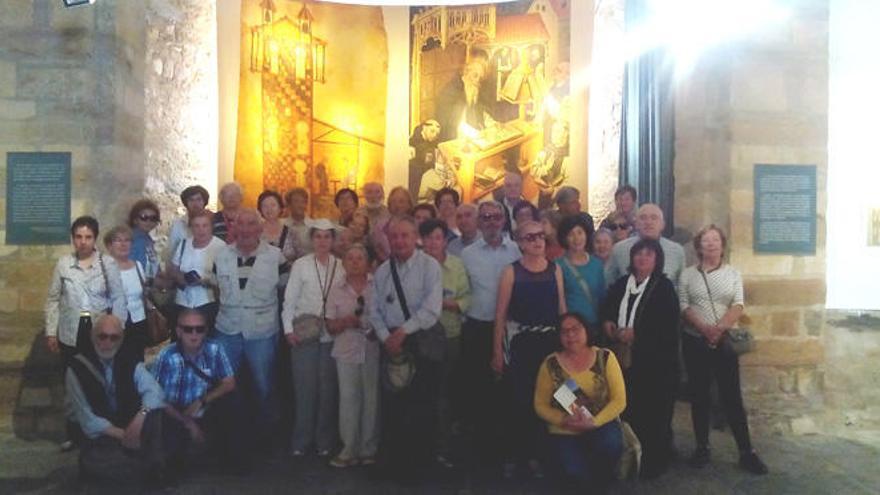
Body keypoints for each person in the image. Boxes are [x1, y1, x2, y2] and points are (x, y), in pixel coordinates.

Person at [678, 225, 768, 474]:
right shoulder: (687, 274)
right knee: (700, 395)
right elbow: (684, 305)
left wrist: (719, 329)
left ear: (722, 244)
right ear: (698, 246)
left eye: (715, 240)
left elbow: (738, 304)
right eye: (705, 240)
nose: (711, 244)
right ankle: (702, 447)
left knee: (731, 397)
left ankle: (746, 452)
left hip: (724, 341)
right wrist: (705, 329)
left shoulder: (732, 273)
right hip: (695, 340)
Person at [368, 217, 443, 478]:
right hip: (389, 342)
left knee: (421, 405)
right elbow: (374, 309)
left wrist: (403, 332)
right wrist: (384, 336)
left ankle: (419, 465)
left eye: (405, 236)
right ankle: (393, 464)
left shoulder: (429, 266)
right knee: (393, 405)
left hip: (419, 340)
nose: (399, 241)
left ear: (415, 238)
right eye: (394, 236)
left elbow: (432, 308)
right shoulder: (382, 271)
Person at [66, 314, 180, 484]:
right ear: (92, 336)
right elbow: (87, 419)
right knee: (104, 461)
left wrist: (140, 417)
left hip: (128, 424)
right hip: (102, 435)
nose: (107, 343)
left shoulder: (129, 360)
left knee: (156, 413)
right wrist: (124, 435)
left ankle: (141, 467)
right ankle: (146, 468)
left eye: (114, 338)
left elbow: (155, 392)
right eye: (102, 336)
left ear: (121, 339)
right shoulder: (76, 368)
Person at [492, 219, 566, 479]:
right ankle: (520, 456)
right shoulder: (511, 272)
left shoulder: (555, 270)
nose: (537, 241)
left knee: (554, 399)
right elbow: (500, 316)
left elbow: (562, 311)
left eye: (541, 237)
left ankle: (544, 456)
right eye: (531, 237)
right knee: (521, 400)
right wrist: (497, 353)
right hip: (522, 345)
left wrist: (567, 347)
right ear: (521, 243)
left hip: (549, 343)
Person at [46, 216, 127, 451]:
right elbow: (53, 299)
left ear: (95, 239)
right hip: (71, 331)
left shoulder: (107, 263)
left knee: (99, 379)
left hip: (98, 330)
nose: (83, 242)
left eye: (88, 237)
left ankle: (101, 430)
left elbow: (118, 296)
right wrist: (52, 331)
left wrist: (116, 326)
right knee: (72, 382)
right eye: (78, 237)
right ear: (73, 238)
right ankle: (74, 433)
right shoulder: (63, 264)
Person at [601, 239, 679, 479]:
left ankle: (654, 461)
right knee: (629, 409)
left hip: (654, 364)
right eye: (639, 254)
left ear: (657, 260)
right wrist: (608, 323)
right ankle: (629, 456)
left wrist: (638, 333)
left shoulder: (663, 288)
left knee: (653, 412)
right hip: (624, 361)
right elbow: (607, 309)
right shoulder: (622, 284)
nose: (643, 258)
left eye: (649, 254)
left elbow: (668, 325)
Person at [210, 209, 285, 447]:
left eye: (250, 225)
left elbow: (283, 290)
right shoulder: (221, 255)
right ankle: (229, 437)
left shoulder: (276, 257)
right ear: (233, 229)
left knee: (264, 384)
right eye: (240, 225)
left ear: (260, 229)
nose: (244, 230)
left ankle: (266, 436)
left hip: (261, 330)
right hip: (227, 328)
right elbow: (215, 288)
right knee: (225, 384)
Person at [534, 312, 625, 490]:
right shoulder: (550, 364)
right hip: (565, 427)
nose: (570, 335)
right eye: (564, 331)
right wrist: (563, 420)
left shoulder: (605, 357)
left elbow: (619, 400)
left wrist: (594, 422)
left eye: (576, 329)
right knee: (574, 472)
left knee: (610, 446)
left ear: (587, 331)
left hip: (600, 422)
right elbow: (540, 405)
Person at [459, 201, 520, 465]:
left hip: (510, 329)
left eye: (496, 217)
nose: (492, 222)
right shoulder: (467, 254)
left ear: (504, 221)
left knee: (508, 392)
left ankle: (506, 450)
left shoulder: (517, 251)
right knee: (477, 391)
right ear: (479, 222)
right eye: (486, 218)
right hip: (478, 328)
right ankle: (482, 454)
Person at [151, 308, 245, 471]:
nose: (194, 334)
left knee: (234, 403)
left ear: (206, 331)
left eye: (199, 329)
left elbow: (229, 382)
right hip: (175, 410)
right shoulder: (166, 356)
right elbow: (154, 397)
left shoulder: (214, 348)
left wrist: (202, 401)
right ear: (179, 331)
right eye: (188, 329)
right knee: (173, 461)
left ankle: (230, 458)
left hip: (203, 404)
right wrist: (187, 422)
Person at [282, 219, 344, 457]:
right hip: (304, 333)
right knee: (304, 390)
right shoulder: (301, 265)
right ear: (311, 239)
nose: (322, 241)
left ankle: (324, 441)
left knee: (328, 391)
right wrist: (288, 329)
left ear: (333, 240)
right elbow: (290, 300)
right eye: (318, 236)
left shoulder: (341, 265)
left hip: (331, 335)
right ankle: (301, 440)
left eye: (327, 237)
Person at [420, 218, 471, 467]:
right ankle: (421, 446)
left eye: (437, 237)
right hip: (420, 336)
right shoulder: (414, 266)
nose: (432, 243)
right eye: (428, 238)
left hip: (450, 335)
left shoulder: (457, 265)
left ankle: (442, 448)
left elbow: (466, 299)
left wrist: (440, 303)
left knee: (444, 394)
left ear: (444, 241)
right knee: (421, 392)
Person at [324, 244, 379, 468]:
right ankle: (348, 449)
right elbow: (329, 325)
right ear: (344, 263)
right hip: (345, 350)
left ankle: (369, 449)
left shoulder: (377, 286)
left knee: (372, 401)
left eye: (360, 258)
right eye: (351, 258)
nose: (355, 262)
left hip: (372, 349)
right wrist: (345, 322)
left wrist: (369, 326)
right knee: (348, 400)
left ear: (367, 263)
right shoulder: (336, 289)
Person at [168, 210, 225, 332]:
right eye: (196, 226)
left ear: (211, 227)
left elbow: (226, 278)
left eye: (205, 225)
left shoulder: (221, 247)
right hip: (183, 301)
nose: (201, 230)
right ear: (191, 228)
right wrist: (181, 277)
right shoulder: (184, 244)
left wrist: (207, 281)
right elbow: (173, 269)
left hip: (207, 301)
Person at [606, 204, 685, 289]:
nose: (648, 222)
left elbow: (682, 288)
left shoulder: (677, 251)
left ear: (662, 224)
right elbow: (608, 283)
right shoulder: (619, 249)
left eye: (654, 218)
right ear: (636, 224)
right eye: (643, 218)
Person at [556, 215, 606, 344]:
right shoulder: (558, 266)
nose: (576, 238)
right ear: (564, 238)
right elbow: (559, 301)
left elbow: (602, 296)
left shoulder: (597, 264)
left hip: (595, 327)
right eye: (571, 234)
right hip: (571, 330)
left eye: (580, 232)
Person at [104, 226, 150, 361]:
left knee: (137, 361)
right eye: (118, 240)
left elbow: (144, 292)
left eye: (127, 240)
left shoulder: (138, 266)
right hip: (115, 323)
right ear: (109, 245)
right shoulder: (105, 269)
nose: (123, 244)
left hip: (139, 321)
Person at [168, 185, 210, 261]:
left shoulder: (213, 222)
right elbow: (171, 252)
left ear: (204, 202)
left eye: (199, 199)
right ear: (186, 203)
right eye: (191, 200)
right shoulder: (177, 225)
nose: (195, 204)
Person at [128, 199, 161, 280]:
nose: (148, 221)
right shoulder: (131, 240)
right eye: (144, 217)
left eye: (153, 218)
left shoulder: (148, 239)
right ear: (135, 220)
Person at [408, 119, 442, 194]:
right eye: (432, 131)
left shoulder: (434, 144)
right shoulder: (412, 142)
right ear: (424, 128)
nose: (434, 135)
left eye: (437, 134)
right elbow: (426, 159)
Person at [283, 187, 312, 260]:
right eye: (296, 201)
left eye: (303, 202)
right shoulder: (282, 225)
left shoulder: (313, 226)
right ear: (289, 204)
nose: (300, 205)